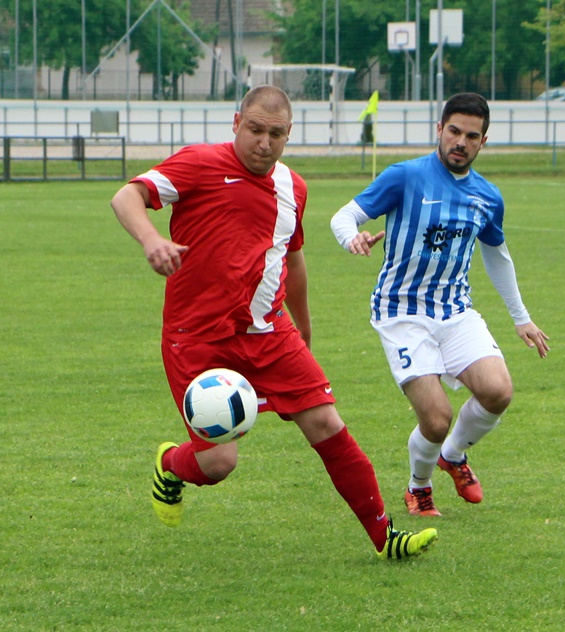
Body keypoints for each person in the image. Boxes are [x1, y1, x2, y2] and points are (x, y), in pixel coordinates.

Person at [110, 85, 436, 560]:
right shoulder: (200, 162)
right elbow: (127, 196)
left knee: (326, 422)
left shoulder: (293, 188)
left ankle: (385, 537)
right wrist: (150, 240)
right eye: (255, 130)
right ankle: (171, 464)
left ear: (289, 134)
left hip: (269, 330)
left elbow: (294, 260)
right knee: (219, 462)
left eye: (276, 134)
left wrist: (304, 326)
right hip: (196, 337)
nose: (264, 143)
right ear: (236, 123)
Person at [330, 92, 549, 517]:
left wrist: (520, 318)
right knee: (435, 418)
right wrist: (351, 237)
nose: (460, 142)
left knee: (498, 392)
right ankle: (419, 487)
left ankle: (453, 456)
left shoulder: (488, 197)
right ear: (439, 129)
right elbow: (344, 216)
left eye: (472, 136)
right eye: (454, 131)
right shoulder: (405, 176)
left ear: (483, 141)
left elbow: (497, 255)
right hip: (401, 312)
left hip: (454, 310)